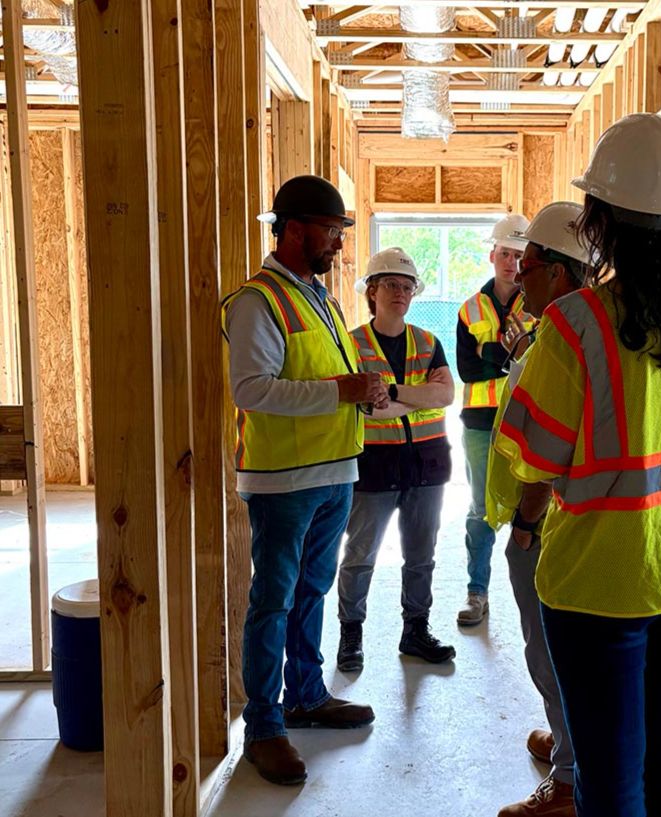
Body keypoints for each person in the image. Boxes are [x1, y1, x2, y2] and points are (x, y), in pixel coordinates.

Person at [493, 114, 661, 817]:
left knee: (610, 773)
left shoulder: (576, 323)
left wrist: (522, 523)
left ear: (598, 220)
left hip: (600, 578)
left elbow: (534, 458)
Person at [222, 175, 387, 787]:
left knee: (311, 592)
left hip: (334, 472)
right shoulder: (257, 301)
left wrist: (360, 391)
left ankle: (307, 696)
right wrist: (341, 390)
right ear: (294, 229)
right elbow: (251, 390)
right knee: (273, 602)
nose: (338, 244)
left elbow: (326, 373)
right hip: (282, 483)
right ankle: (264, 726)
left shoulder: (320, 296)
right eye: (331, 231)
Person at [485, 202, 594, 817]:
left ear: (557, 272)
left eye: (526, 264)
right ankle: (571, 742)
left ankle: (571, 777)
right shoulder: (568, 332)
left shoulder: (560, 341)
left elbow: (546, 452)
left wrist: (525, 524)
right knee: (561, 648)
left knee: (548, 649)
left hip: (549, 522)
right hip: (561, 519)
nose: (516, 276)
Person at [336, 247, 456, 671]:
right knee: (360, 555)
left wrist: (397, 392)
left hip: (426, 465)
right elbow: (372, 408)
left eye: (407, 287)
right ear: (372, 290)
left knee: (421, 555)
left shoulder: (427, 341)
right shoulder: (352, 345)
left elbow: (446, 395)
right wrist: (421, 397)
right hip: (373, 466)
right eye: (391, 284)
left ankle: (416, 631)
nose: (400, 293)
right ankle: (351, 633)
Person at [456, 213, 536, 626]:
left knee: (535, 504)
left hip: (529, 418)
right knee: (481, 508)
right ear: (492, 254)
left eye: (520, 255)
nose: (512, 262)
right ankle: (477, 591)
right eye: (506, 253)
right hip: (481, 421)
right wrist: (509, 354)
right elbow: (468, 370)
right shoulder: (470, 308)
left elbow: (541, 358)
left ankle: (539, 592)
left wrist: (494, 355)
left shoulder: (541, 302)